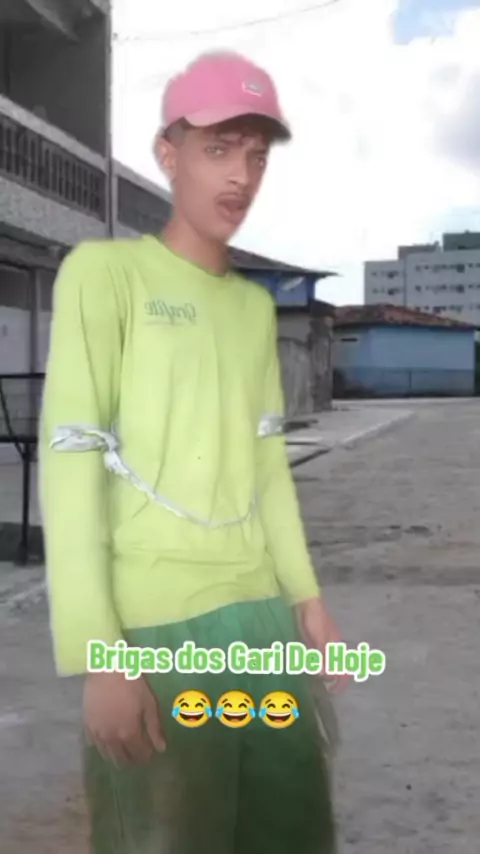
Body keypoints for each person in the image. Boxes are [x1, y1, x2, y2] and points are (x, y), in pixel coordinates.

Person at [39, 50, 346, 854]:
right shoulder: (106, 275)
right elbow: (70, 461)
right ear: (168, 153)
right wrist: (100, 655)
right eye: (218, 148)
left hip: (262, 620)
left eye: (256, 155)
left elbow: (267, 468)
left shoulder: (251, 309)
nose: (241, 175)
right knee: (171, 837)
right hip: (155, 627)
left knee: (290, 834)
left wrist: (307, 600)